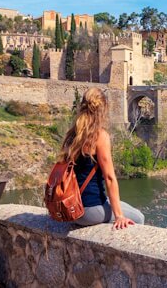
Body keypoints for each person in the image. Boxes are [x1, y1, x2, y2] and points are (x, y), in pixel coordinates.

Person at [57, 87, 144, 229]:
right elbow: (109, 178)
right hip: (88, 210)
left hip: (70, 208)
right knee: (138, 217)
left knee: (122, 205)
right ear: (103, 109)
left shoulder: (72, 135)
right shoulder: (99, 136)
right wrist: (119, 216)